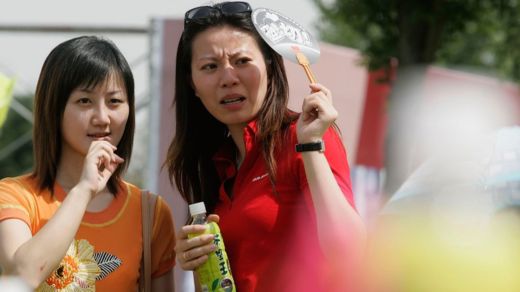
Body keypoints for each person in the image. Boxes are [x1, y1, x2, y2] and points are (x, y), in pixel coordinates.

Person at [165, 2, 366, 291]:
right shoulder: (212, 164)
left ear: (270, 66)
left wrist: (310, 146)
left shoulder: (305, 138)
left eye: (242, 61)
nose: (228, 78)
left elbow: (350, 253)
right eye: (210, 66)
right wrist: (198, 261)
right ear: (192, 84)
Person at [0, 36, 176, 291]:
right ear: (54, 107)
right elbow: (24, 275)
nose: (103, 118)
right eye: (85, 101)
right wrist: (83, 190)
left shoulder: (150, 212)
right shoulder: (15, 197)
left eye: (114, 101)